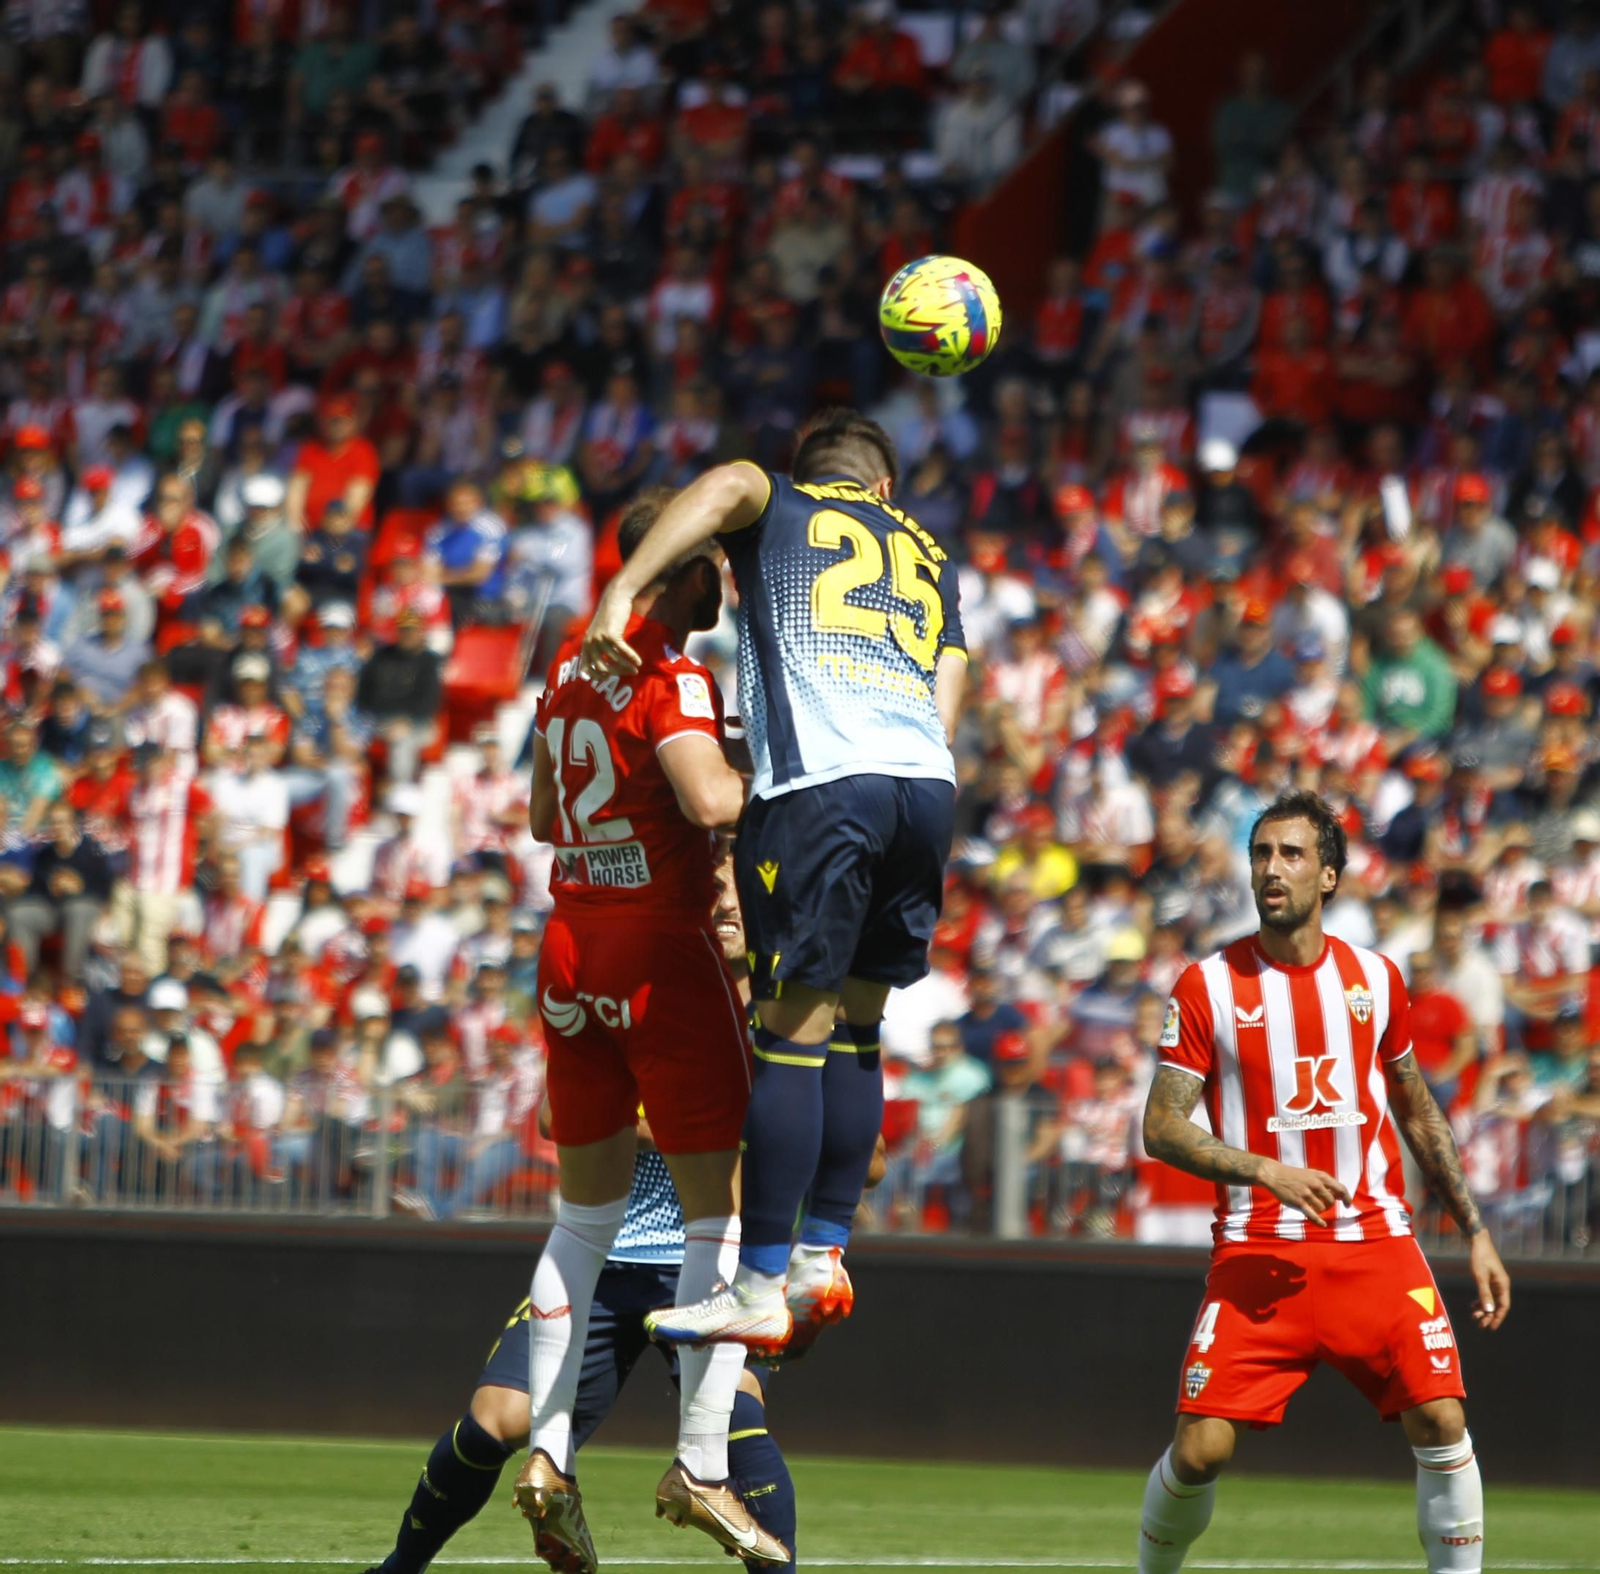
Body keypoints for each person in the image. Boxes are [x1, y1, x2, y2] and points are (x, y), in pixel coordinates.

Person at [583, 410, 967, 1356]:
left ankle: (756, 1283)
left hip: (824, 790)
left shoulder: (776, 499)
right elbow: (950, 674)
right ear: (884, 488)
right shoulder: (927, 552)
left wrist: (620, 592)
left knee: (790, 1034)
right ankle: (825, 1251)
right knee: (861, 1027)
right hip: (924, 786)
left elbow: (715, 489)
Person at [363, 861, 805, 1574]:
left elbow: (866, 1155)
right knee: (492, 1423)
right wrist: (694, 1124)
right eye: (710, 887)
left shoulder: (790, 1017)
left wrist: (664, 1118)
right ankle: (397, 1568)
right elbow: (551, 1112)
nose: (723, 904)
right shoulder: (639, 991)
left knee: (736, 1424)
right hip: (604, 1262)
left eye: (736, 892)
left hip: (715, 1269)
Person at [1136, 790, 1511, 1574]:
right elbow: (1161, 1126)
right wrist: (1265, 1169)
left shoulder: (1375, 980)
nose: (1272, 870)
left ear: (1329, 877)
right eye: (1261, 855)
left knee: (1442, 1418)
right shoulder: (1208, 985)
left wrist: (1474, 1231)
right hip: (1256, 1246)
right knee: (1200, 1451)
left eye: (1292, 855)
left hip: (1374, 1244)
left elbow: (1417, 1110)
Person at [518, 491, 782, 1566]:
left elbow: (543, 815)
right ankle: (702, 1463)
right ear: (667, 568)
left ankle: (545, 1453)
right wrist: (789, 778)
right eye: (708, 556)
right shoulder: (665, 669)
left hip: (569, 944)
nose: (721, 572)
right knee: (722, 1218)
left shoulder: (572, 670)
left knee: (579, 1222)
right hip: (658, 953)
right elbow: (712, 800)